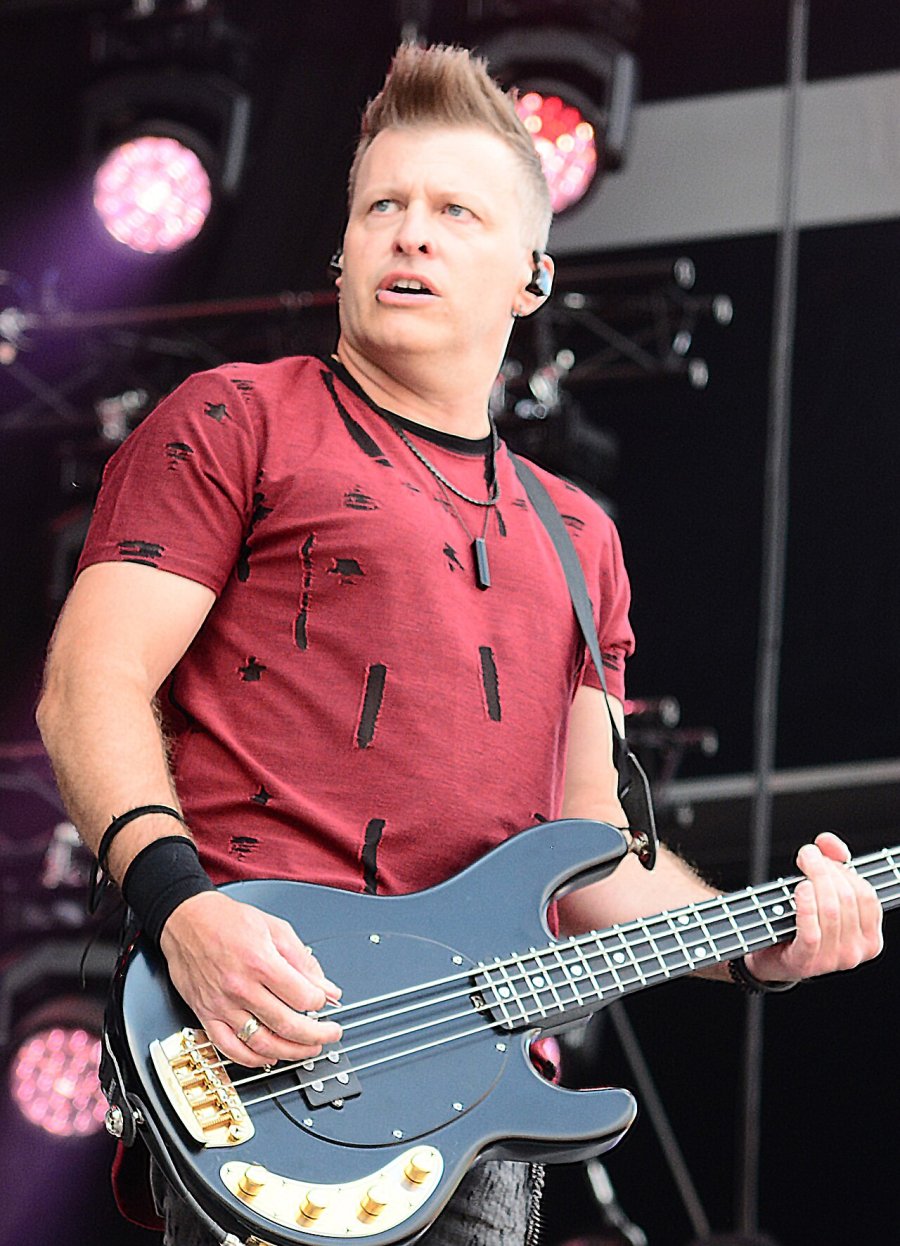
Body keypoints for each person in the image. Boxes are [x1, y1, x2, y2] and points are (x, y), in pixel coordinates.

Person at [36, 42, 882, 1246]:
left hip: (478, 1105)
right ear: (343, 252)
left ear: (533, 276)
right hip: (264, 1044)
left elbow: (593, 853)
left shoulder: (578, 535)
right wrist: (180, 910)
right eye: (382, 207)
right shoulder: (236, 419)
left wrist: (762, 945)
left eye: (454, 212)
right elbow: (91, 682)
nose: (410, 236)